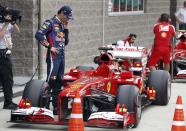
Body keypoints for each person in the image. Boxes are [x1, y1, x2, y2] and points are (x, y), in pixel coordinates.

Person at [35, 5, 73, 115]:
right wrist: (49, 46)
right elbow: (38, 34)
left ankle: (56, 107)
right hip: (53, 57)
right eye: (68, 17)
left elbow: (65, 43)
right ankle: (45, 107)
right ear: (62, 13)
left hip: (61, 57)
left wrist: (66, 29)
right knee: (51, 81)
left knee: (59, 81)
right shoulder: (50, 22)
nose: (68, 19)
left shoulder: (62, 25)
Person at [0, 14, 20, 109]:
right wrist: (5, 24)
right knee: (6, 79)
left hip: (5, 53)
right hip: (1, 53)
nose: (7, 16)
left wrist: (13, 22)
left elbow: (17, 31)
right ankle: (8, 102)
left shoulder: (8, 24)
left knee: (8, 79)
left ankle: (8, 102)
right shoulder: (2, 24)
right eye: (6, 14)